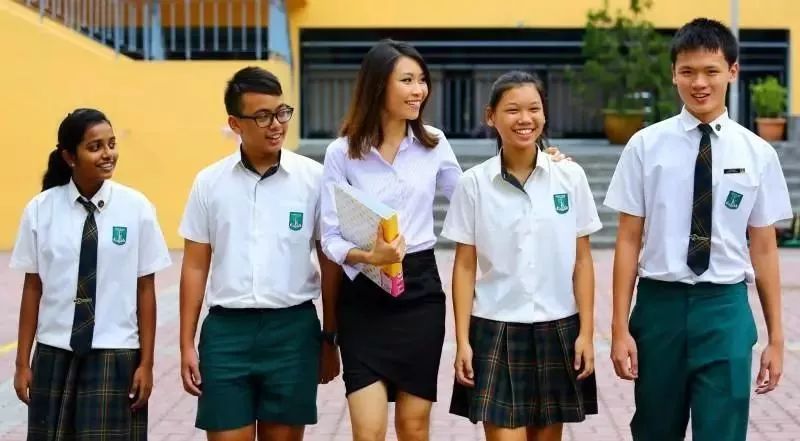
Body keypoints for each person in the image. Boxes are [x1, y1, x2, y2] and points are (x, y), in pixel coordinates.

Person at [604, 18, 792, 441]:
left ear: (732, 71)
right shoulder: (645, 146)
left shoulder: (757, 153)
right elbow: (628, 240)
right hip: (659, 307)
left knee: (723, 431)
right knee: (654, 429)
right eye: (687, 71)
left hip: (724, 308)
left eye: (711, 71)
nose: (699, 83)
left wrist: (777, 338)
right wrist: (618, 328)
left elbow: (764, 248)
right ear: (673, 74)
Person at [178, 66, 341, 441]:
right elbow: (195, 266)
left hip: (293, 332)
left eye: (282, 112)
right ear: (235, 123)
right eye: (263, 116)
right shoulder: (209, 183)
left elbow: (331, 263)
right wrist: (186, 343)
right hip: (226, 333)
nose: (276, 124)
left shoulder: (314, 179)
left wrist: (330, 337)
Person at [443, 71, 601, 441]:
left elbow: (582, 261)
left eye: (534, 109)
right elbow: (464, 266)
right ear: (491, 116)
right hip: (495, 327)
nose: (524, 119)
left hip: (557, 327)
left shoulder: (570, 177)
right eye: (512, 110)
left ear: (545, 114)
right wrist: (463, 340)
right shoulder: (474, 184)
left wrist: (587, 334)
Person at [11, 108, 172, 441]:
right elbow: (32, 288)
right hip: (54, 353)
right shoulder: (40, 210)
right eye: (95, 147)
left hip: (115, 355)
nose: (108, 154)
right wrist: (22, 363)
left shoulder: (137, 208)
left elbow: (145, 290)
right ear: (70, 156)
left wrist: (147, 363)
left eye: (111, 144)